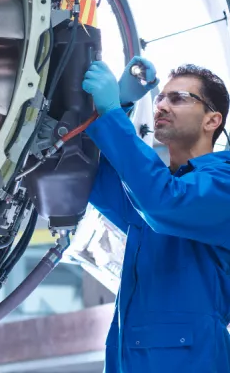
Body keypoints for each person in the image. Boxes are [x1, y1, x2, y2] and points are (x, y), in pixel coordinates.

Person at [82, 58, 230, 372]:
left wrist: (110, 115)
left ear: (212, 120)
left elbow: (163, 203)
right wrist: (120, 106)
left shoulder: (223, 183)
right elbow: (92, 178)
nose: (161, 105)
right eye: (160, 97)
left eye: (178, 98)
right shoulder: (152, 189)